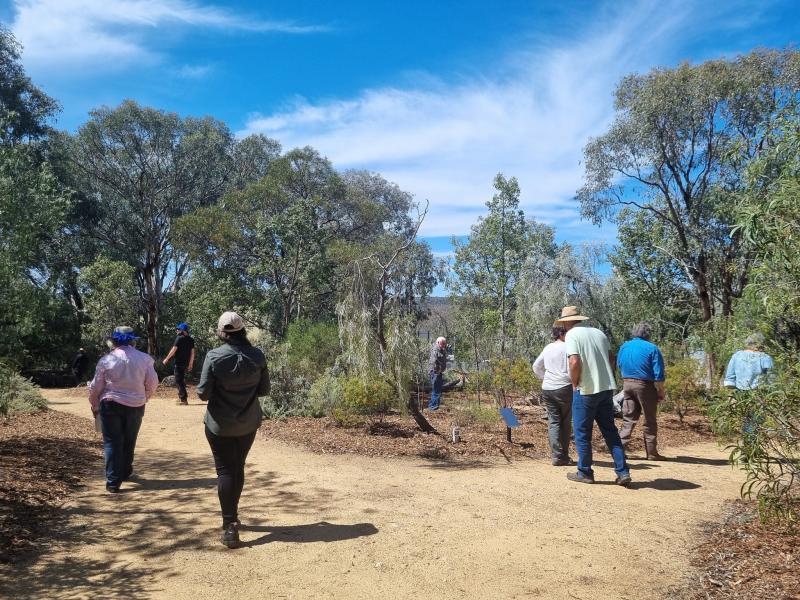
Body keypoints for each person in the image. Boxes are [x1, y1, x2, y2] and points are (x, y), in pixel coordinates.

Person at [198, 311, 269, 549]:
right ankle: (233, 516)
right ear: (242, 331)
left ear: (222, 332)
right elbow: (263, 391)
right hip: (248, 424)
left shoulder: (214, 356)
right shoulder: (257, 355)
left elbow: (203, 393)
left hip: (220, 425)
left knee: (226, 471)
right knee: (237, 467)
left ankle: (230, 525)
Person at [558, 306, 631, 486]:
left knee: (582, 433)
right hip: (606, 390)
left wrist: (575, 384)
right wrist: (607, 376)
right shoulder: (598, 333)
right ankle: (622, 472)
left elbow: (574, 361)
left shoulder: (572, 336)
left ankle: (585, 472)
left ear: (567, 322)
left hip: (586, 390)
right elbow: (612, 357)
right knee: (611, 432)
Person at [88, 326, 158, 493]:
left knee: (112, 442)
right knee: (129, 439)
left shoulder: (106, 360)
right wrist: (144, 397)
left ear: (114, 341)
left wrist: (95, 405)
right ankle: (125, 472)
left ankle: (113, 482)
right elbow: (152, 382)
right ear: (133, 340)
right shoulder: (145, 359)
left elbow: (95, 387)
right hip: (136, 405)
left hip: (110, 404)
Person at [616, 322, 666, 460]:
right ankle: (652, 453)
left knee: (628, 418)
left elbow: (619, 364)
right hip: (645, 386)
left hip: (627, 384)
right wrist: (660, 391)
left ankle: (620, 450)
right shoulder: (652, 348)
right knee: (649, 419)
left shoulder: (624, 346)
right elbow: (659, 373)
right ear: (648, 334)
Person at [533, 325, 573, 466]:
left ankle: (556, 456)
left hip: (548, 388)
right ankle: (564, 455)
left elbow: (536, 366)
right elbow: (572, 368)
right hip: (564, 387)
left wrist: (545, 378)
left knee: (554, 422)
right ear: (562, 334)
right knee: (566, 422)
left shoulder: (548, 347)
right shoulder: (568, 347)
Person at [724, 333, 774, 436]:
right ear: (760, 344)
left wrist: (732, 396)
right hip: (758, 394)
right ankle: (752, 446)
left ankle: (747, 446)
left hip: (739, 394)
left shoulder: (737, 355)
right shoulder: (765, 357)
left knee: (743, 420)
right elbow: (772, 380)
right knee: (756, 422)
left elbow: (729, 378)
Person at [163, 322, 195, 405]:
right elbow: (192, 353)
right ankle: (182, 397)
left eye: (178, 329)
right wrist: (191, 364)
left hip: (179, 363)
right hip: (185, 363)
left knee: (178, 381)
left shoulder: (179, 338)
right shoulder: (191, 340)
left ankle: (183, 399)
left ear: (183, 330)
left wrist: (166, 359)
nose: (176, 331)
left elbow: (173, 350)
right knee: (181, 380)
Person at [428, 336, 448, 411]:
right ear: (438, 342)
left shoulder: (441, 350)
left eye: (444, 344)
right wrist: (439, 370)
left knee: (437, 390)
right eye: (442, 343)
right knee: (436, 390)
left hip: (438, 372)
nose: (444, 345)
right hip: (435, 372)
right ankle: (433, 407)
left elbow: (443, 359)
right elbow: (434, 361)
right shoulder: (435, 350)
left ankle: (434, 406)